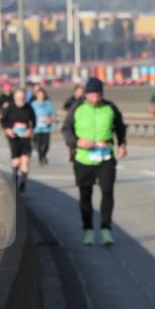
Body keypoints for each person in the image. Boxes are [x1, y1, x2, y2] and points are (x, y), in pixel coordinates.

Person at [61, 77, 127, 247]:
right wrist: (77, 142)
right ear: (86, 94)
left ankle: (106, 229)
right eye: (92, 95)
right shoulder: (77, 108)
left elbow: (120, 126)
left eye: (98, 95)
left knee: (107, 191)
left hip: (105, 157)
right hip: (83, 158)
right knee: (85, 195)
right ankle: (88, 229)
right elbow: (66, 128)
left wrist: (122, 144)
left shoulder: (110, 107)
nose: (95, 99)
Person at [0, 88, 36, 192]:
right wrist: (8, 130)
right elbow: (3, 120)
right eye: (19, 98)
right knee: (16, 161)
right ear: (15, 98)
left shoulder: (29, 108)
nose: (21, 100)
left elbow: (34, 121)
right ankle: (15, 177)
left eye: (22, 98)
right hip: (14, 136)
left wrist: (30, 130)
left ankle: (23, 181)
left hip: (25, 137)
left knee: (25, 160)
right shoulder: (10, 107)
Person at [30, 88, 58, 164]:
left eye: (42, 95)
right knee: (38, 144)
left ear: (44, 95)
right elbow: (29, 115)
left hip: (46, 128)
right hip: (37, 128)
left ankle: (44, 155)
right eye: (39, 95)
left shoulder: (48, 104)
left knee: (46, 145)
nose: (41, 96)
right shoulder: (33, 105)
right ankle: (41, 157)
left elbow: (54, 115)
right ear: (36, 96)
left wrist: (50, 119)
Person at [62, 83, 85, 163]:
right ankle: (72, 153)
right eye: (79, 91)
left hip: (81, 123)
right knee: (71, 139)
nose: (80, 93)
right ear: (75, 91)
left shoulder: (85, 100)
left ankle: (77, 153)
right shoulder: (71, 100)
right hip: (72, 122)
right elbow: (65, 107)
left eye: (82, 91)